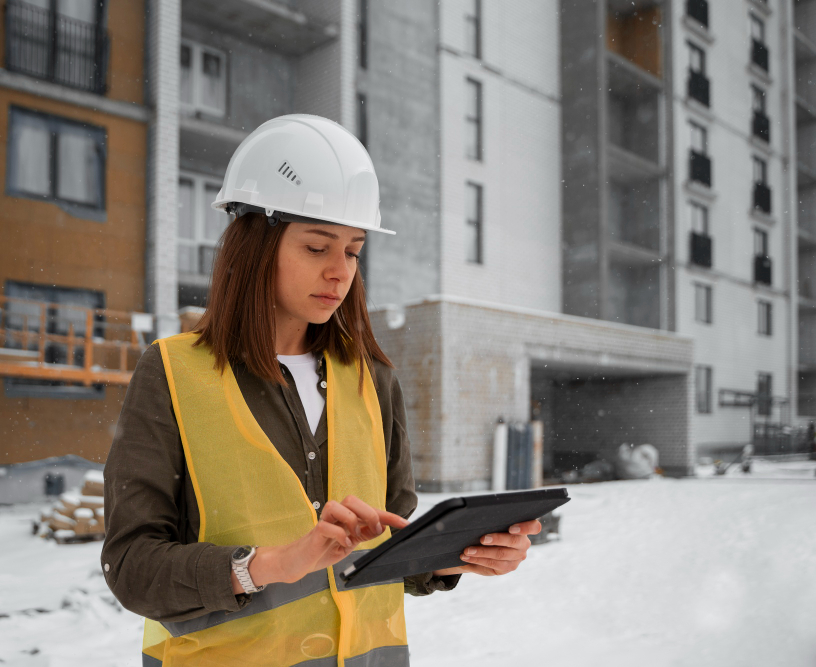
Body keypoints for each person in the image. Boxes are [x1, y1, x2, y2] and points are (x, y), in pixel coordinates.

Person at [101, 114, 541, 666]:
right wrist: (266, 565)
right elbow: (133, 566)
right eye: (316, 247)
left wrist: (455, 555)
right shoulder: (172, 374)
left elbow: (386, 549)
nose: (340, 272)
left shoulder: (372, 380)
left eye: (353, 251)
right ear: (255, 245)